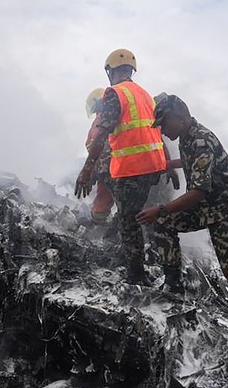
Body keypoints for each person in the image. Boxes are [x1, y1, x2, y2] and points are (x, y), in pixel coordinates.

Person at [135, 94, 228, 341]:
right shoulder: (187, 136)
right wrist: (169, 164)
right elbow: (191, 161)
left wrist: (162, 209)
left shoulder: (201, 139)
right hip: (207, 207)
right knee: (164, 224)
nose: (163, 131)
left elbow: (199, 191)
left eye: (164, 124)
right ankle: (173, 285)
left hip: (226, 210)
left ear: (179, 117)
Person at [74, 49, 178, 285]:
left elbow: (101, 134)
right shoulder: (145, 95)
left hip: (131, 169)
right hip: (153, 168)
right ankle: (170, 274)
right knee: (144, 216)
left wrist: (86, 170)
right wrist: (168, 164)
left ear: (110, 71)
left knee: (129, 223)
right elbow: (157, 132)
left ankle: (136, 276)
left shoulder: (115, 93)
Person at [84, 88, 115, 224]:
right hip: (109, 166)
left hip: (107, 167)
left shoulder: (102, 120)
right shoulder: (106, 118)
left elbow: (97, 144)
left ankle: (99, 226)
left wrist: (90, 171)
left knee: (101, 206)